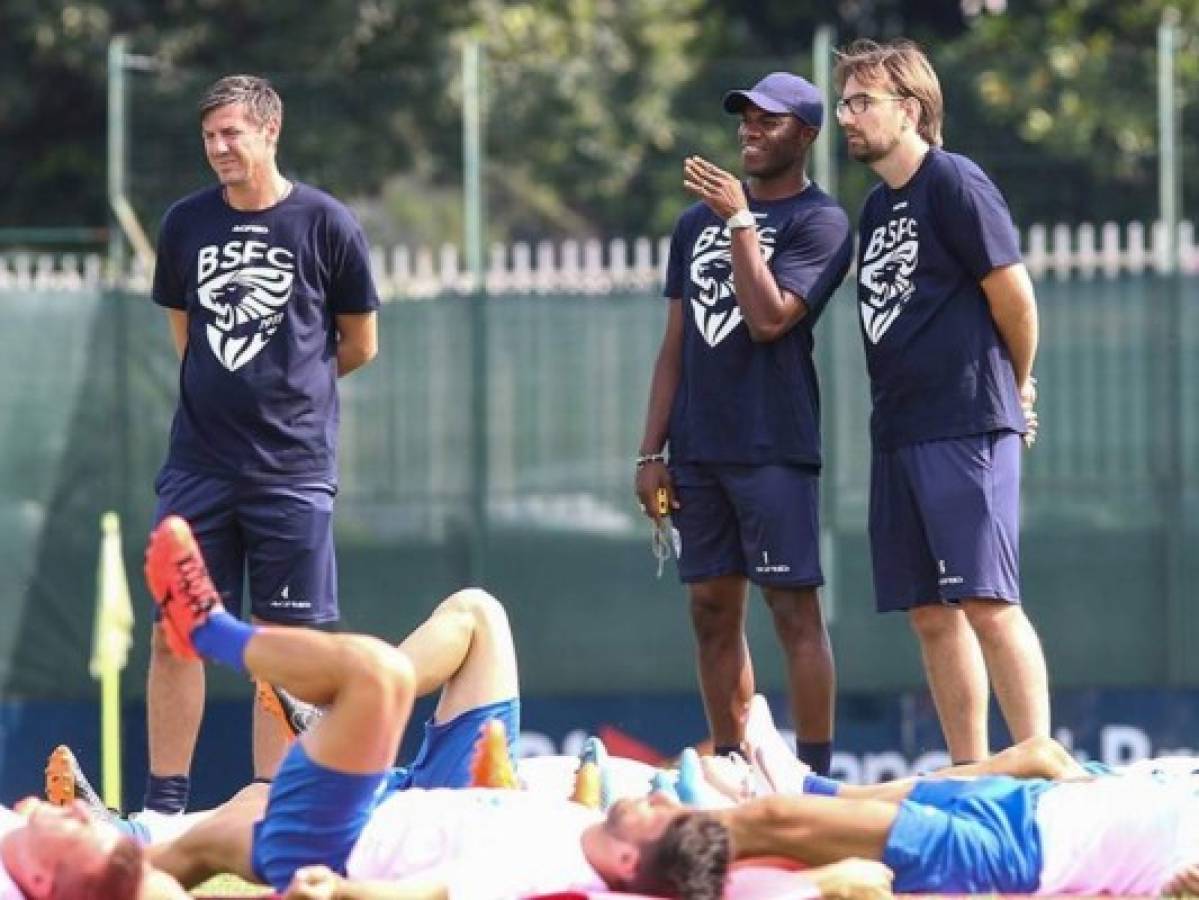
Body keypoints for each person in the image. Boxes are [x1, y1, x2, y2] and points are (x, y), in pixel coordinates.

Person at [141, 515, 731, 899]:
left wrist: (345, 893)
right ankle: (333, 722)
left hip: (341, 838)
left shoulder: (558, 873)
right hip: (440, 793)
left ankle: (213, 635)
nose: (659, 798)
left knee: (381, 676)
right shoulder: (587, 838)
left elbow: (440, 892)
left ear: (629, 860)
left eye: (665, 815)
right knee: (479, 613)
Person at [146, 74, 380, 814]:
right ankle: (163, 812)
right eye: (209, 136)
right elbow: (189, 338)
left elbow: (359, 344)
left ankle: (268, 813)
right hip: (197, 467)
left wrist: (290, 389)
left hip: (291, 471)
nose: (218, 148)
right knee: (174, 633)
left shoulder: (327, 223)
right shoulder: (184, 224)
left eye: (232, 134)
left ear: (269, 132)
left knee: (284, 651)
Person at [833, 39, 1049, 763]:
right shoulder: (875, 205)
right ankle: (971, 769)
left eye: (861, 101)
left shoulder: (953, 181)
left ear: (911, 108)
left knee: (987, 603)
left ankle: (1041, 763)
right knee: (930, 614)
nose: (845, 116)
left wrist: (1014, 385)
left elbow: (1013, 298)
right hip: (897, 430)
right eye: (842, 102)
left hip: (963, 422)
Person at [635, 71, 853, 776]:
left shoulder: (820, 222)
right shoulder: (693, 222)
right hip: (697, 450)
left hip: (773, 447)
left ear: (807, 136)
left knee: (793, 614)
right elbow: (676, 344)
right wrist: (649, 454)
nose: (749, 131)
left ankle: (815, 773)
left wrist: (738, 222)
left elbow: (766, 320)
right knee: (709, 609)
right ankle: (732, 763)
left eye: (769, 121)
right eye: (745, 119)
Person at [721, 765, 1199, 895]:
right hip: (1023, 803)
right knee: (781, 818)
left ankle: (657, 842)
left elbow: (1182, 885)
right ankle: (801, 785)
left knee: (777, 820)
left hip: (1015, 852)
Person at [0, 799, 188, 899]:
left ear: (40, 880)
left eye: (80, 826)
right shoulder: (24, 848)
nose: (80, 806)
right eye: (89, 819)